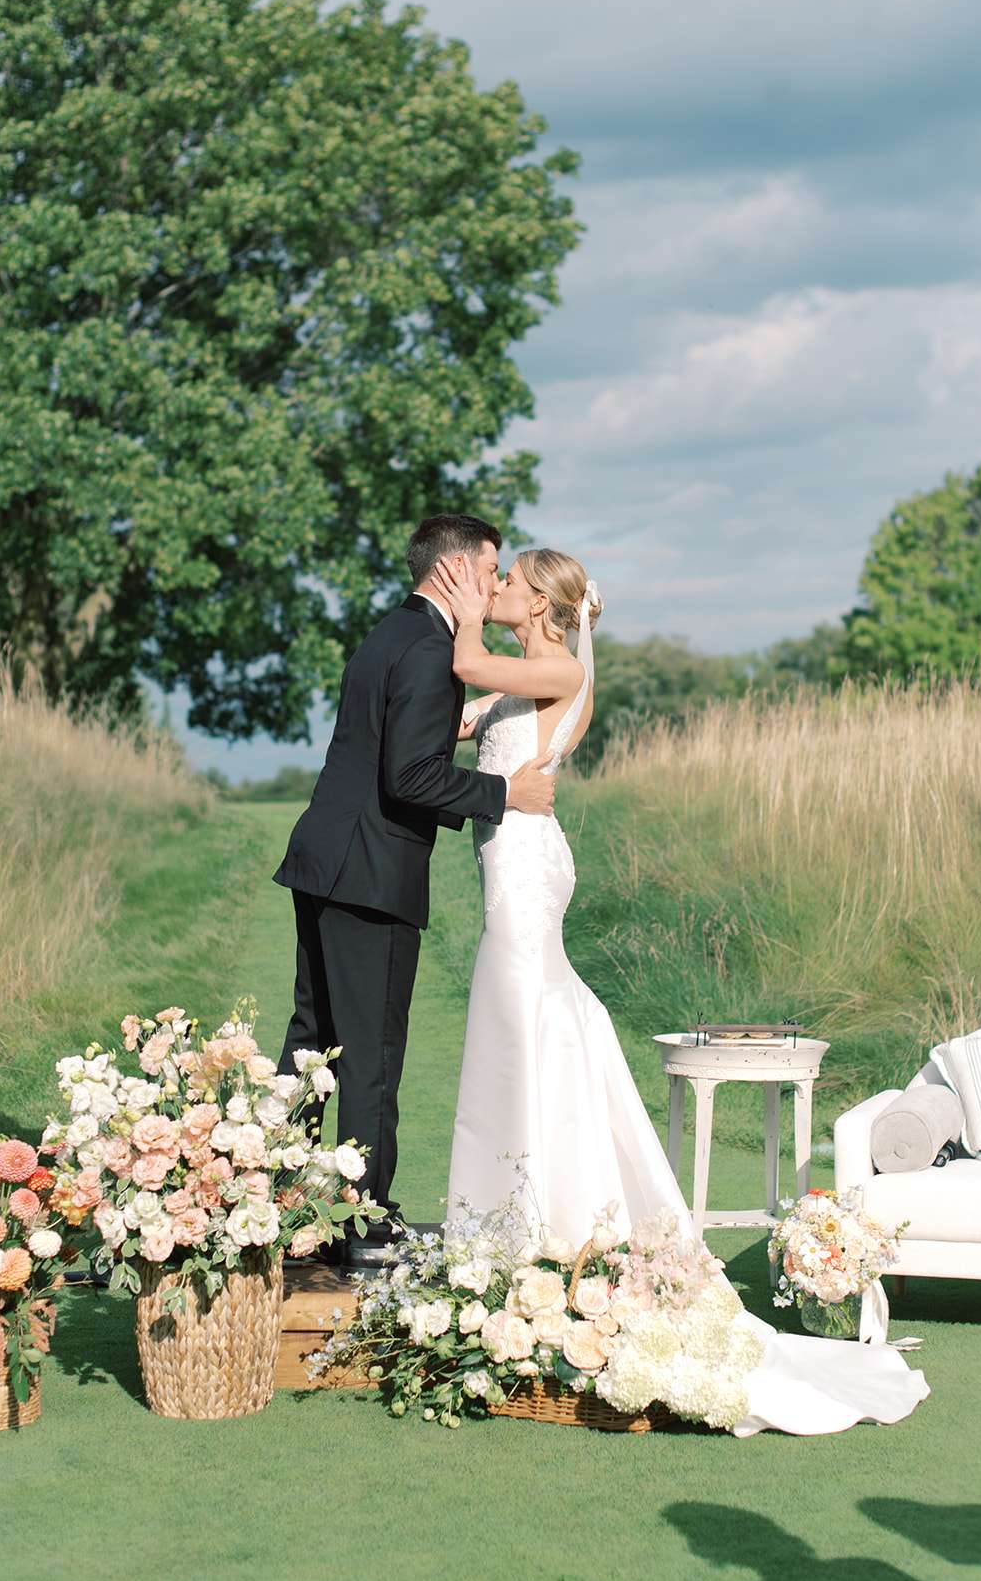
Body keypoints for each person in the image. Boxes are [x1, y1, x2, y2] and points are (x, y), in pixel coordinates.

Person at [435, 546, 930, 1437]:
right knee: (526, 1030)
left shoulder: (552, 663)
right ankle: (523, 1224)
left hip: (524, 868)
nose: (495, 586)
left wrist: (461, 603)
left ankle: (532, 1231)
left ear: (540, 601)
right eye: (490, 578)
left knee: (517, 1021)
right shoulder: (536, 675)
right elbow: (468, 710)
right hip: (515, 859)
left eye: (507, 581)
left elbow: (467, 661)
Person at [272, 514, 556, 1262]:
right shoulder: (431, 650)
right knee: (368, 1051)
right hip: (371, 875)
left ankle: (281, 1203)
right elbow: (410, 778)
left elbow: (392, 745)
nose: (497, 584)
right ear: (455, 571)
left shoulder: (391, 632)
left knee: (313, 1044)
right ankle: (362, 1222)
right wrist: (504, 795)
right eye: (492, 570)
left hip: (326, 856)